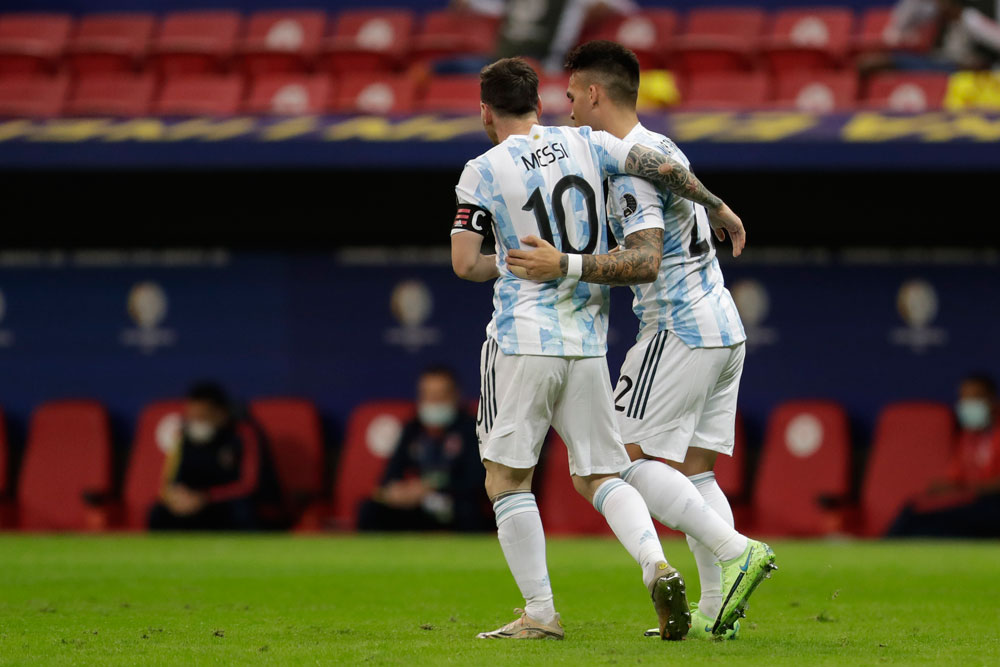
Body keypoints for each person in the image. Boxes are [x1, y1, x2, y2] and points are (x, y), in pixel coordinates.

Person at [450, 56, 767, 641]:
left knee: (507, 479)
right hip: (592, 339)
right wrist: (716, 202)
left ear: (485, 110)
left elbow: (465, 263)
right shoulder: (586, 143)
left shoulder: (482, 168)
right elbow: (657, 164)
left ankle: (542, 613)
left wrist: (520, 264)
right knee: (605, 471)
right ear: (540, 105)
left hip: (526, 338)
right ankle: (664, 570)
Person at [358, 366, 491, 533]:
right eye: (427, 395)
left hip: (454, 504)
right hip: (416, 506)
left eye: (440, 396)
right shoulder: (412, 429)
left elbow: (476, 480)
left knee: (467, 510)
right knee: (370, 509)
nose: (433, 402)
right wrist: (399, 491)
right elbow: (389, 477)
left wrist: (430, 487)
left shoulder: (473, 428)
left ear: (456, 395)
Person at [149, 382, 279, 531]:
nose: (196, 422)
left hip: (226, 504)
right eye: (192, 417)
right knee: (158, 513)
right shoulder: (184, 438)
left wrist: (206, 498)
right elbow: (172, 481)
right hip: (195, 505)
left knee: (242, 511)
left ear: (221, 413)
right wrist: (178, 498)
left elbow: (249, 485)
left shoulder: (243, 434)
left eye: (202, 417)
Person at [889, 373, 1000, 537]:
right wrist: (945, 487)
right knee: (914, 509)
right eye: (964, 399)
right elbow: (956, 477)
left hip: (992, 504)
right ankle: (882, 548)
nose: (968, 405)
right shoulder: (968, 437)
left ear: (993, 401)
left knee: (933, 521)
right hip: (971, 502)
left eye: (975, 398)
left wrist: (966, 488)